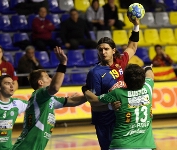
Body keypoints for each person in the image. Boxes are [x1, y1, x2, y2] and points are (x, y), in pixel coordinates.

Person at [12, 46, 86, 150]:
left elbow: (74, 101)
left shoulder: (50, 99)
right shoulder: (39, 95)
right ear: (40, 83)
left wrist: (91, 92)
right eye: (47, 77)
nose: (51, 78)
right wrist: (63, 63)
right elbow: (55, 87)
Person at [85, 17, 140, 150]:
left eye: (106, 49)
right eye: (100, 50)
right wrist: (110, 106)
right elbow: (94, 101)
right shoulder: (95, 73)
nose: (103, 52)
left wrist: (136, 26)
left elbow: (132, 46)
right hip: (105, 121)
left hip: (122, 118)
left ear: (113, 50)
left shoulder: (120, 61)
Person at [83, 64, 156, 150]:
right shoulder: (148, 87)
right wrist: (148, 68)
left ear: (125, 80)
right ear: (143, 79)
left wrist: (85, 89)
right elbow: (150, 75)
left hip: (121, 145)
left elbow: (93, 100)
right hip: (146, 145)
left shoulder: (118, 93)